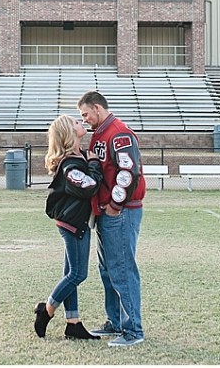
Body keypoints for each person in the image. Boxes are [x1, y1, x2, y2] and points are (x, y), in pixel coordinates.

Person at [77, 90, 146, 347]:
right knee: (107, 269)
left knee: (122, 269)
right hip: (105, 211)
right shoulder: (99, 134)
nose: (84, 120)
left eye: (85, 114)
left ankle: (133, 330)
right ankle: (115, 322)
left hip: (121, 210)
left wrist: (116, 205)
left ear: (97, 108)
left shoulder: (119, 132)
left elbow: (129, 172)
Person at [34, 115, 102, 341]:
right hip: (73, 224)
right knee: (78, 273)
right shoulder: (70, 163)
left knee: (70, 273)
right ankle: (47, 309)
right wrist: (93, 164)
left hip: (75, 222)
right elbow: (88, 186)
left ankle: (73, 323)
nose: (80, 122)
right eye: (75, 122)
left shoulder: (78, 156)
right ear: (68, 132)